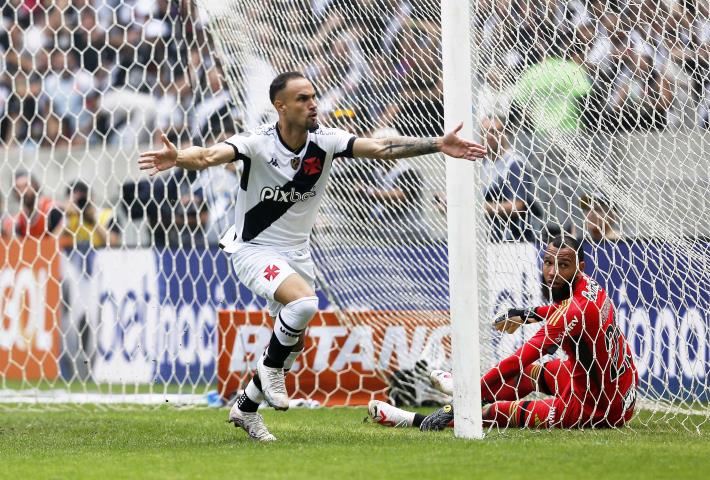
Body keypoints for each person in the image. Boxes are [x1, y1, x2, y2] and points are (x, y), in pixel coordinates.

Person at [138, 71, 486, 441]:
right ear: (280, 106)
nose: (312, 104)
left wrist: (438, 144)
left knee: (289, 350)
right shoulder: (257, 142)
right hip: (254, 249)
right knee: (304, 304)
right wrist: (178, 157)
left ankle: (246, 408)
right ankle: (269, 373)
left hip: (298, 255)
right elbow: (208, 155)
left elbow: (382, 148)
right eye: (302, 98)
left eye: (313, 96)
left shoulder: (326, 141)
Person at [368, 235, 638, 430]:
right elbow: (564, 314)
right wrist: (525, 313)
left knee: (495, 411)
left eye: (563, 266)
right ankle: (462, 388)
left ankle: (413, 418)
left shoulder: (572, 311)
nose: (552, 273)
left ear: (580, 267)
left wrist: (470, 396)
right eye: (548, 263)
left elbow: (521, 358)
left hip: (598, 408)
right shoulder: (590, 288)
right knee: (532, 375)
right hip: (617, 388)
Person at [480, 116, 540, 242]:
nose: (489, 136)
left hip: (516, 241)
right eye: (485, 132)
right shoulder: (482, 164)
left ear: (505, 133)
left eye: (494, 131)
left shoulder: (514, 164)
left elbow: (517, 206)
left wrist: (479, 207)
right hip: (490, 238)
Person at [2, 170, 63, 238]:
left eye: (26, 185)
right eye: (18, 188)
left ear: (35, 186)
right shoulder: (20, 219)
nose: (23, 191)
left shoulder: (52, 209)